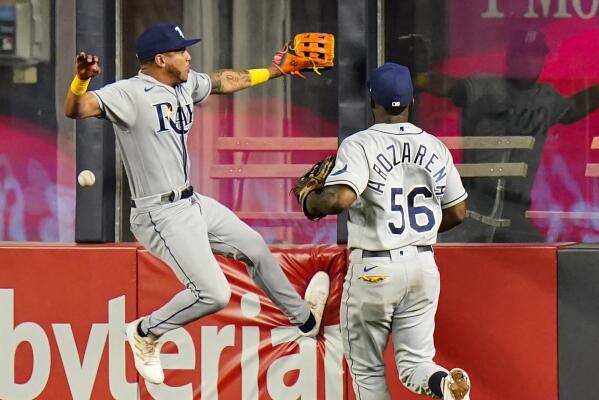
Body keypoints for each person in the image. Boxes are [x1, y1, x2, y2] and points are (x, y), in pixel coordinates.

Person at [63, 23, 330, 384]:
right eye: (181, 51)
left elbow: (223, 81)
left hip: (192, 202)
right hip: (159, 214)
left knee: (254, 248)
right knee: (214, 294)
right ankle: (145, 332)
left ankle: (305, 320)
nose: (189, 56)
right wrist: (81, 80)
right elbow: (76, 109)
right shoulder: (129, 93)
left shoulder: (184, 83)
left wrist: (277, 69)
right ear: (161, 59)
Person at [304, 62, 470, 399]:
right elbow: (458, 211)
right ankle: (445, 384)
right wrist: (417, 234)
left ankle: (444, 385)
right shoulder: (436, 147)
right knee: (416, 365)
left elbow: (340, 198)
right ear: (412, 102)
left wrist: (310, 199)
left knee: (367, 371)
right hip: (423, 264)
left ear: (372, 102)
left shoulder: (361, 143)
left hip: (375, 268)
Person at [412, 29, 599, 242]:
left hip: (515, 209)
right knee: (451, 258)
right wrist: (417, 78)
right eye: (523, 54)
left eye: (536, 55)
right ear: (511, 58)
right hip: (475, 204)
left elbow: (574, 108)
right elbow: (451, 86)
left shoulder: (547, 97)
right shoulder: (487, 86)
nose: (530, 61)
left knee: (536, 265)